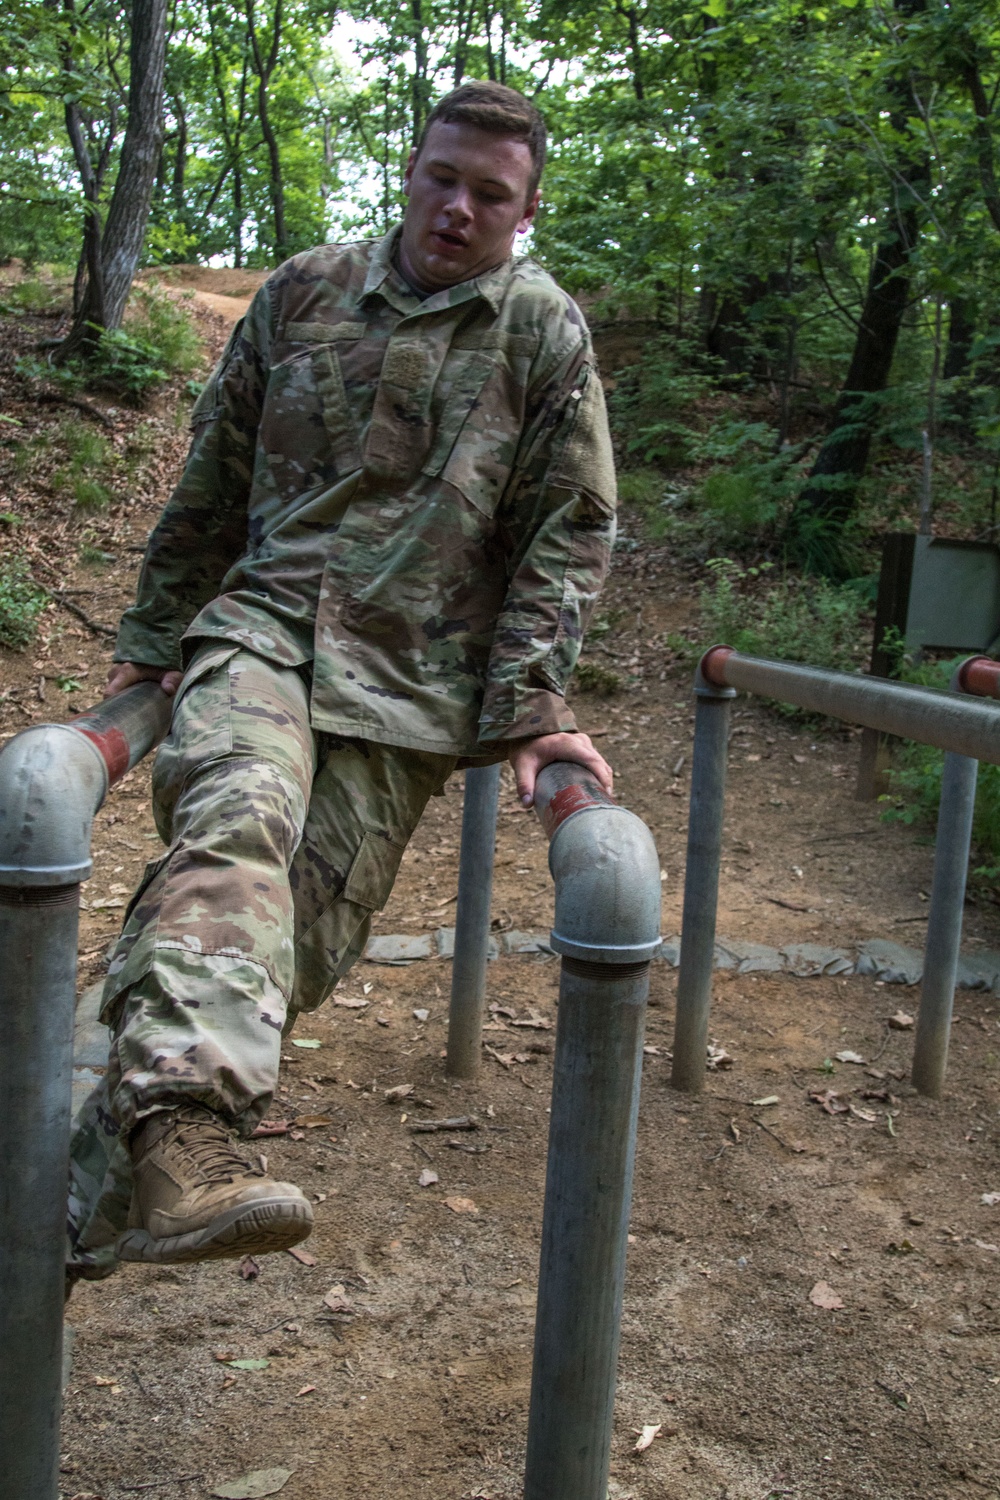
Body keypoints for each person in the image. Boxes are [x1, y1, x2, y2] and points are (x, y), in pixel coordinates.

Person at [66, 79, 616, 1283]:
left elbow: (566, 531)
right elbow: (211, 469)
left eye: (491, 193)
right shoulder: (304, 289)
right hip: (263, 631)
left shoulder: (543, 334)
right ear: (411, 171)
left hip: (408, 688)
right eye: (441, 177)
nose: (457, 208)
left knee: (290, 948)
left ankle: (78, 1208)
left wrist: (532, 706)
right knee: (237, 815)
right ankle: (183, 1132)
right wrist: (157, 635)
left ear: (526, 210)